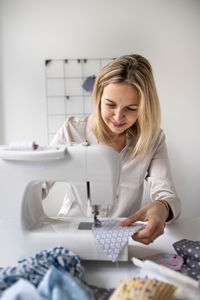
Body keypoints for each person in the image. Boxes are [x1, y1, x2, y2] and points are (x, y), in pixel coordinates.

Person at [43, 54, 181, 245]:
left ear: (144, 107)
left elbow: (167, 195)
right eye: (110, 105)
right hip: (69, 232)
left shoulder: (153, 140)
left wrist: (161, 207)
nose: (118, 116)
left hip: (119, 237)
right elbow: (41, 182)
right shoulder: (72, 130)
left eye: (131, 108)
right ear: (98, 97)